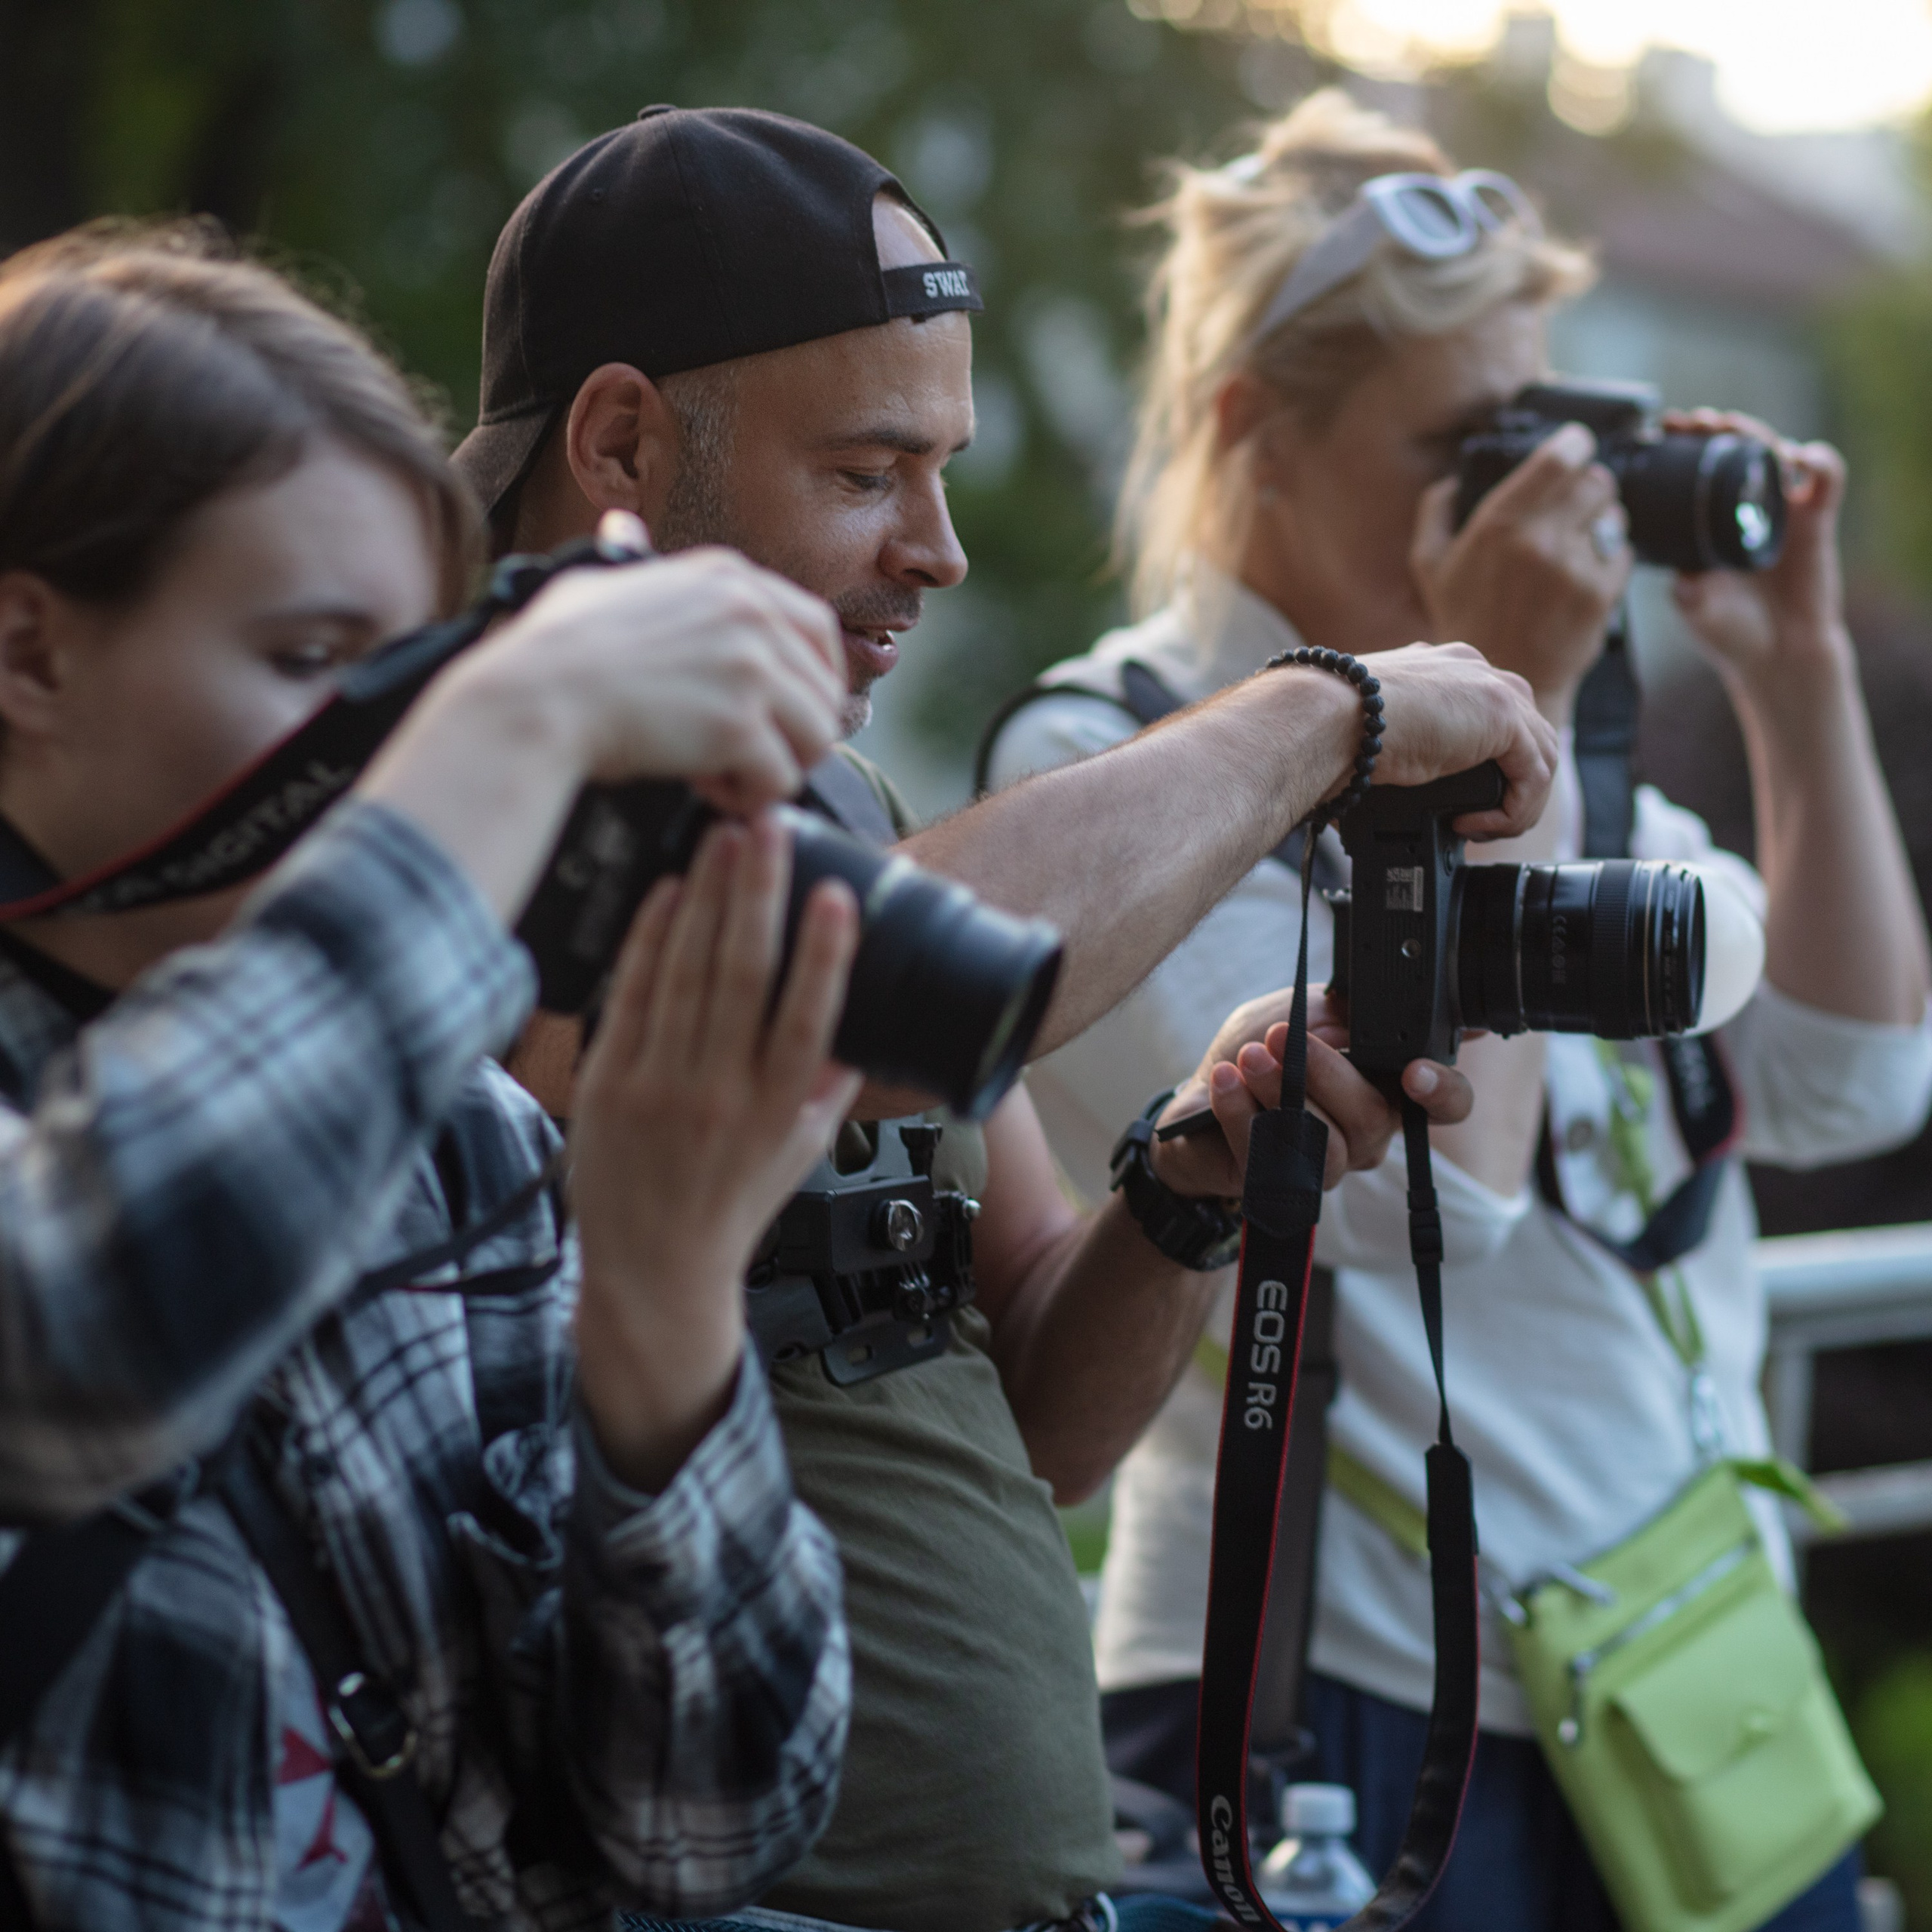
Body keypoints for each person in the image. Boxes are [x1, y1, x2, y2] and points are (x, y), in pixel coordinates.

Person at [451, 106, 1558, 1932]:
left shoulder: (841, 804)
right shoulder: (456, 814)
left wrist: (1196, 1176)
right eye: (867, 470)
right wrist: (1319, 714)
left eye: (943, 468)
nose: (939, 548)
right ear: (621, 441)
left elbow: (1038, 1409)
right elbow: (797, 998)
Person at [980, 92, 1932, 1932]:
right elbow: (1434, 1196)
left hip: (1675, 1658)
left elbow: (1850, 1077)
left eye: (1537, 432)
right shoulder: (1107, 765)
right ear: (1251, 429)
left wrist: (1794, 674)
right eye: (1458, 447)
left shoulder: (1550, 722)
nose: (1528, 499)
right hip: (1341, 1690)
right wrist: (1525, 707)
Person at [0, 224, 864, 1930]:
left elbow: (712, 1824)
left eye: (414, 678)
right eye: (313, 658)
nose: (391, 748)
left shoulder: (460, 1145)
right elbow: (80, 1329)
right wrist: (517, 731)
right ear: (28, 654)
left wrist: (667, 1311)